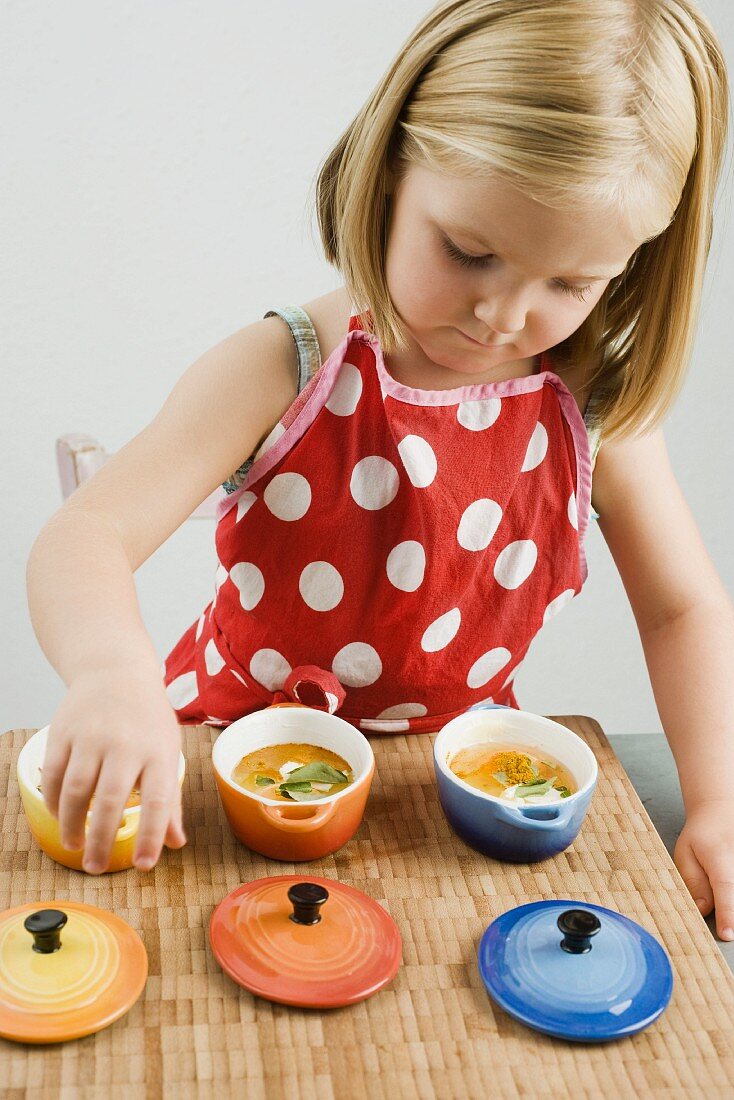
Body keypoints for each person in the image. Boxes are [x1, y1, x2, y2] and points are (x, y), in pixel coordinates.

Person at [27, 0, 733, 938]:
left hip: (454, 795)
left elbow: (683, 607)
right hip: (230, 763)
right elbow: (88, 535)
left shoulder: (588, 397)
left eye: (572, 283)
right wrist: (112, 678)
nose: (505, 316)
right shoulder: (286, 364)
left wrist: (718, 800)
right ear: (391, 168)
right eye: (470, 252)